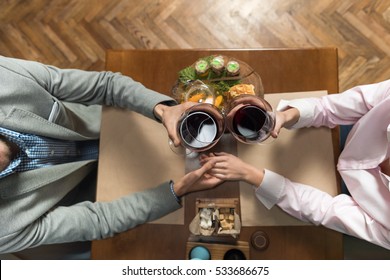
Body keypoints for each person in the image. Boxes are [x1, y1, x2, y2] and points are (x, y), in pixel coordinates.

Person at [0, 55, 222, 257]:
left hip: (116, 126)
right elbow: (99, 220)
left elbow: (105, 86)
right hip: (96, 192)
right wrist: (178, 191)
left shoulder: (5, 79)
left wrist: (163, 110)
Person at [200, 80, 390, 250]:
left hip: (345, 196)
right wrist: (286, 117)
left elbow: (325, 211)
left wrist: (249, 174)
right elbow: (327, 108)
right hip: (347, 130)